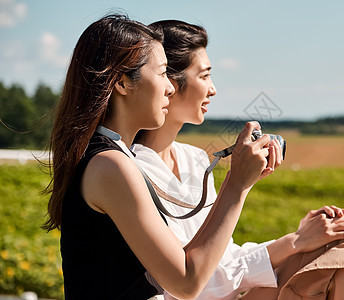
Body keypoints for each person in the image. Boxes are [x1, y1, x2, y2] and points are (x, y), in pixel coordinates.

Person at [132, 20, 344, 299]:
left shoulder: (193, 158)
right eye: (204, 76)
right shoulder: (133, 171)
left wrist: (302, 237)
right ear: (168, 82)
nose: (213, 88)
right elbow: (191, 285)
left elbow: (225, 257)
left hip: (233, 293)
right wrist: (294, 240)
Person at [43, 14, 279, 299]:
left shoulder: (111, 156)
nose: (170, 87)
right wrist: (238, 183)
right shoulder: (110, 164)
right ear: (122, 83)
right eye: (162, 72)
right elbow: (187, 282)